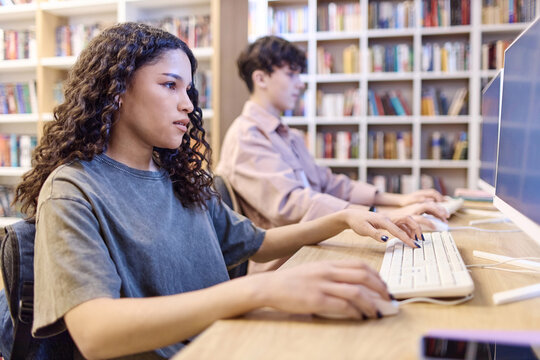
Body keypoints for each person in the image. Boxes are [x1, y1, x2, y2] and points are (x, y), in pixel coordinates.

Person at [14, 23, 425, 359]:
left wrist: (343, 219)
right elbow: (95, 332)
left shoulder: (178, 176)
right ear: (118, 89)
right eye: (170, 85)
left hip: (227, 339)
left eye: (188, 91)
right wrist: (258, 290)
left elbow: (258, 244)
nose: (188, 105)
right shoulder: (73, 190)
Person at [216, 35, 447, 271]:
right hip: (288, 261)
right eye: (291, 74)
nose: (300, 84)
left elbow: (329, 183)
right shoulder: (247, 136)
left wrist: (400, 200)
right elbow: (293, 207)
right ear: (261, 78)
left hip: (319, 244)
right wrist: (381, 215)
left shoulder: (290, 136)